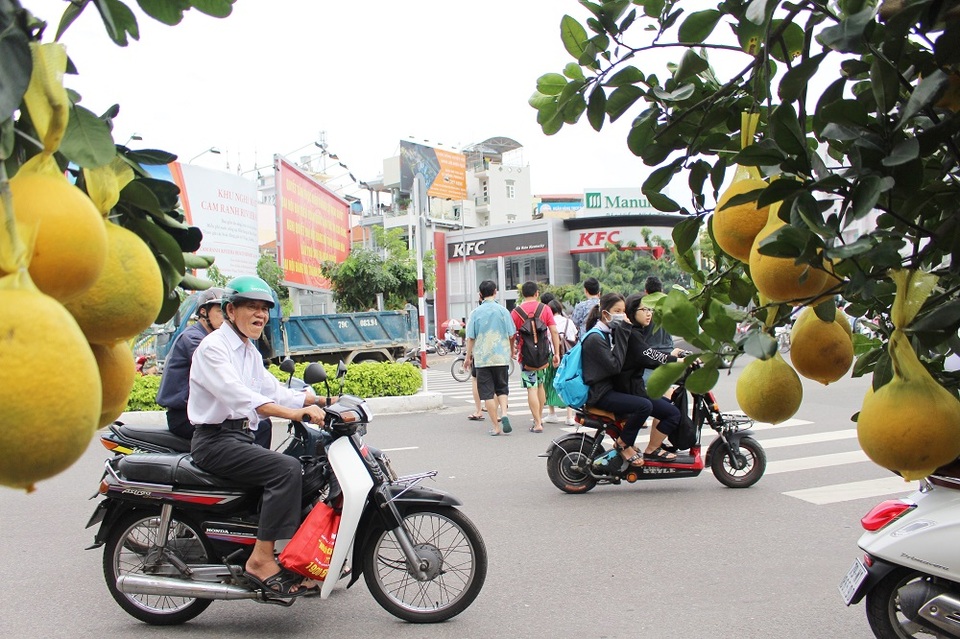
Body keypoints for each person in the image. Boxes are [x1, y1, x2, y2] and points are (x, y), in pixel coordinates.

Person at [188, 275, 332, 598]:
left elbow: (275, 390)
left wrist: (323, 402)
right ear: (230, 310)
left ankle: (291, 554)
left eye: (264, 308)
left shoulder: (248, 351)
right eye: (251, 306)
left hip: (238, 439)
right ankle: (261, 559)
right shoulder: (214, 349)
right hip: (215, 441)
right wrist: (296, 414)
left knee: (304, 468)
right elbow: (240, 396)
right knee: (285, 469)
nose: (260, 314)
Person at [581, 292, 651, 468]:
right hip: (600, 394)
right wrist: (624, 332)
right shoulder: (596, 337)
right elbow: (615, 366)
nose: (622, 315)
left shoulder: (605, 333)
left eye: (624, 311)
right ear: (605, 313)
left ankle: (627, 440)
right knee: (644, 406)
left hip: (606, 389)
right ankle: (623, 445)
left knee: (642, 400)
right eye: (617, 311)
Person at [618, 293, 686, 461]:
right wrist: (675, 360)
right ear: (633, 311)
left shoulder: (636, 332)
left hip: (633, 387)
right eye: (644, 309)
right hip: (630, 390)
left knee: (666, 404)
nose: (649, 314)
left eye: (650, 309)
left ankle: (655, 445)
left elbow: (648, 353)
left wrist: (671, 354)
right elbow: (646, 356)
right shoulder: (633, 333)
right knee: (673, 414)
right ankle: (653, 449)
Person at [156, 288, 225, 440]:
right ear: (203, 312)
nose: (226, 317)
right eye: (220, 311)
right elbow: (221, 372)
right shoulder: (195, 339)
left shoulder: (208, 337)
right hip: (185, 416)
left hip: (200, 411)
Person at [465, 280, 516, 435]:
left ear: (480, 295)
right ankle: (505, 414)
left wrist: (468, 357)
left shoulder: (475, 313)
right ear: (495, 292)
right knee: (502, 388)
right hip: (501, 357)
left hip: (482, 359)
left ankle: (495, 427)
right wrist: (511, 350)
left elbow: (471, 337)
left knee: (487, 393)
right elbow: (512, 334)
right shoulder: (503, 311)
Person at [511, 281, 560, 433]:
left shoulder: (516, 312)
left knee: (531, 388)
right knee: (541, 385)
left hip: (526, 356)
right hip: (544, 355)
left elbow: (512, 335)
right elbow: (554, 332)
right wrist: (557, 352)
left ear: (523, 294)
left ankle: (537, 423)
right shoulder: (545, 309)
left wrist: (511, 350)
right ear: (537, 293)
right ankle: (539, 418)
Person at [543, 298, 577, 426]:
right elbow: (573, 338)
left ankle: (552, 413)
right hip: (568, 356)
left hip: (552, 356)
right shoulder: (569, 322)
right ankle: (569, 416)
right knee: (567, 384)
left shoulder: (548, 323)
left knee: (550, 383)